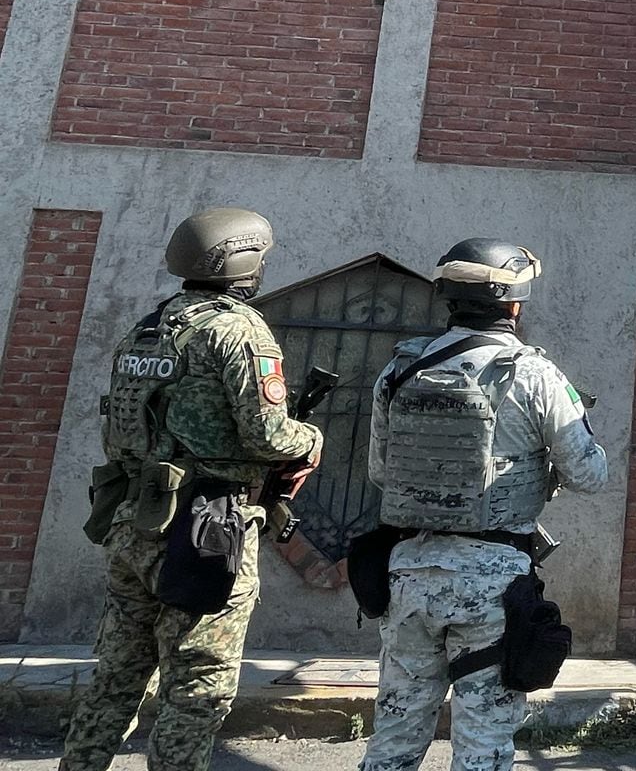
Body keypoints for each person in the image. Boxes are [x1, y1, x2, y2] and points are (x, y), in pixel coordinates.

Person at [61, 208, 324, 771]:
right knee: (199, 683)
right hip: (206, 527)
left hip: (135, 518)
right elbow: (268, 434)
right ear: (246, 262)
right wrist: (310, 438)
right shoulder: (237, 328)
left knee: (118, 673)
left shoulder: (149, 327)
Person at [361, 238, 607, 771]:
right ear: (513, 302)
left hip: (409, 576)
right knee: (483, 743)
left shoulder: (400, 369)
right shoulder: (535, 373)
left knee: (394, 738)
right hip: (492, 584)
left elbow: (382, 473)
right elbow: (590, 474)